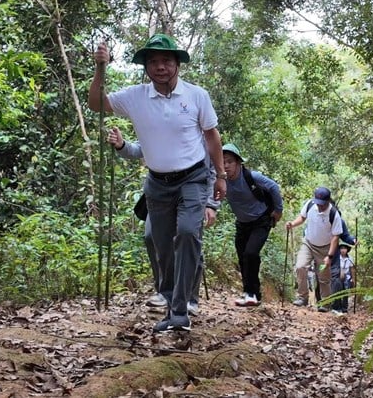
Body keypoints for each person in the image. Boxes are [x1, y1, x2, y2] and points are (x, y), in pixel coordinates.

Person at [89, 34, 226, 332]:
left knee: (188, 233)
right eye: (153, 62)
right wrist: (100, 68)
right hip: (158, 184)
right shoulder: (135, 97)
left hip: (193, 178)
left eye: (166, 60)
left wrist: (221, 176)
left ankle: (179, 312)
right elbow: (97, 103)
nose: (160, 67)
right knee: (161, 244)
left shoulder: (196, 95)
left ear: (177, 64)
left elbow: (212, 137)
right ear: (146, 67)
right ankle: (170, 296)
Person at [107, 127, 217, 316]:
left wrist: (211, 204)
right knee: (152, 237)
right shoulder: (161, 127)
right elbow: (138, 149)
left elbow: (213, 170)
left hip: (193, 191)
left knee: (188, 238)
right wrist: (121, 145)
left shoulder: (203, 136)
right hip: (161, 194)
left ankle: (190, 298)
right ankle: (165, 291)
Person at [219, 143, 284, 307]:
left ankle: (252, 294)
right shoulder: (220, 180)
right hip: (242, 224)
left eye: (230, 162)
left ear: (238, 163)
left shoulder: (252, 177)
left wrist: (278, 211)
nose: (226, 166)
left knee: (251, 253)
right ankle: (251, 293)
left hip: (261, 221)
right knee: (242, 258)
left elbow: (274, 187)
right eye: (223, 162)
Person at [285, 186, 342, 312]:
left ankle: (325, 304)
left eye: (323, 204)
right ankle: (302, 297)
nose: (320, 206)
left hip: (325, 249)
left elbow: (335, 237)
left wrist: (330, 256)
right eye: (318, 203)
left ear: (328, 201)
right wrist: (292, 224)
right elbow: (302, 217)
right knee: (300, 266)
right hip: (308, 244)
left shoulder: (334, 214)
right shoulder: (310, 205)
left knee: (323, 277)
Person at [335, 243, 357, 315]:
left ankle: (344, 308)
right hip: (338, 276)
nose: (343, 250)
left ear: (347, 250)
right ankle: (337, 307)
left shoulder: (350, 258)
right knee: (337, 292)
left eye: (344, 248)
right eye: (341, 248)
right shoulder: (337, 258)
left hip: (347, 277)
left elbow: (352, 269)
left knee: (345, 292)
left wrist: (353, 279)